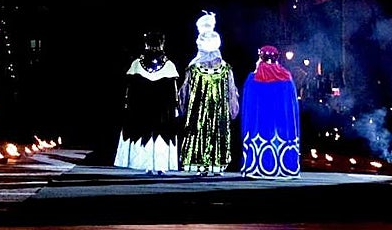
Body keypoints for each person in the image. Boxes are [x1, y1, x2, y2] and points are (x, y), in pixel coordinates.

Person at [178, 11, 239, 176]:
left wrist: (182, 108)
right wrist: (233, 108)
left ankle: (201, 164)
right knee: (216, 132)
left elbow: (185, 92)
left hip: (199, 111)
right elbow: (232, 93)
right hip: (217, 110)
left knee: (200, 131)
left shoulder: (194, 68)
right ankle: (215, 164)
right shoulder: (225, 69)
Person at [114, 30, 180, 174]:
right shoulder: (167, 66)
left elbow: (128, 93)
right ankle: (158, 165)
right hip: (154, 112)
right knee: (155, 134)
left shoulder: (138, 64)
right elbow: (174, 95)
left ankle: (146, 164)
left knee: (155, 134)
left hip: (146, 111)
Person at [239, 45, 301, 178]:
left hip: (260, 121)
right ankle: (284, 167)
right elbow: (292, 104)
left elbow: (248, 103)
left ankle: (258, 168)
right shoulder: (286, 77)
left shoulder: (253, 78)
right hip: (281, 121)